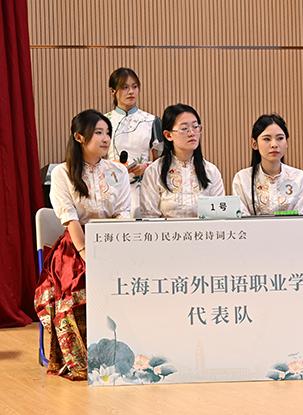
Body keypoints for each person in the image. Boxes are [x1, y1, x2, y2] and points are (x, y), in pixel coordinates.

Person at [35, 109, 131, 381]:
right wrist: (89, 255)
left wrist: (114, 249)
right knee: (78, 280)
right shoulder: (63, 173)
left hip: (114, 240)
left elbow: (123, 214)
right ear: (79, 137)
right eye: (98, 133)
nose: (106, 139)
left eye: (108, 133)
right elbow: (71, 220)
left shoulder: (118, 171)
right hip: (76, 244)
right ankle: (81, 357)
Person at [140, 104, 225, 218]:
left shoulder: (210, 171)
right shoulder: (155, 171)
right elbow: (150, 217)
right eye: (184, 128)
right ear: (168, 135)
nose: (192, 133)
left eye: (195, 127)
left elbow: (219, 216)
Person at [104, 68, 163, 217]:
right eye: (125, 87)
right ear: (112, 91)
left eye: (134, 86)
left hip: (143, 187)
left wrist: (146, 166)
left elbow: (161, 160)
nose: (131, 92)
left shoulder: (151, 121)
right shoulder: (103, 122)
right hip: (110, 186)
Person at [232, 114, 303, 215]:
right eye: (267, 139)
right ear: (254, 144)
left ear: (286, 142)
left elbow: (302, 217)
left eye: (280, 138)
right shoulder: (242, 179)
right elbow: (241, 217)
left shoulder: (299, 178)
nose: (274, 145)